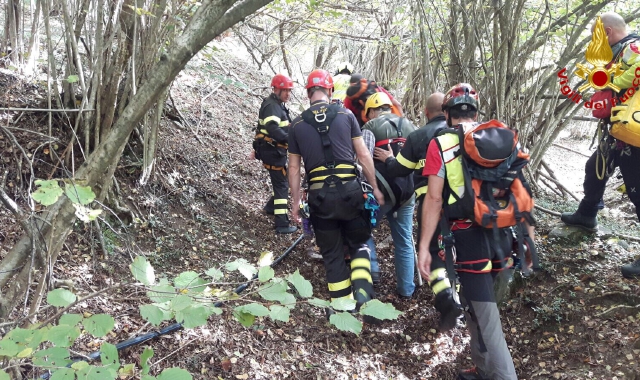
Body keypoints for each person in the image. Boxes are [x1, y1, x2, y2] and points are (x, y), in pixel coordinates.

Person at [417, 83, 521, 380]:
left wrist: (425, 246)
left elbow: (434, 199)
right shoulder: (502, 137)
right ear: (475, 111)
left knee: (486, 317)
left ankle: (502, 375)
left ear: (447, 114)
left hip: (468, 237)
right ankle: (483, 367)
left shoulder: (441, 144)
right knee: (477, 308)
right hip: (502, 235)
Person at [288, 69, 385, 316]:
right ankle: (365, 298)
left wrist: (296, 202)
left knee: (331, 253)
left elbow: (294, 167)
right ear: (330, 90)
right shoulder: (346, 115)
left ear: (308, 92)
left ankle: (342, 308)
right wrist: (374, 186)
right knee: (360, 244)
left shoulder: (297, 124)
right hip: (352, 193)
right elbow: (363, 154)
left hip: (320, 199)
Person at [373, 92, 463, 330]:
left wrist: (390, 159)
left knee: (432, 254)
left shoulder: (419, 137)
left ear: (426, 112)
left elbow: (398, 170)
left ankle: (444, 299)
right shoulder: (462, 135)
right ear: (446, 111)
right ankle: (460, 298)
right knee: (458, 252)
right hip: (462, 206)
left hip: (430, 206)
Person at [560, 12, 640, 278]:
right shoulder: (620, 51)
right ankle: (587, 213)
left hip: (633, 134)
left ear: (606, 32)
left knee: (637, 190)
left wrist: (610, 82)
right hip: (619, 131)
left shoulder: (633, 47)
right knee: (595, 167)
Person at [361, 92, 417, 299]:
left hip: (382, 190)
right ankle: (406, 289)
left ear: (373, 110)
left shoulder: (370, 127)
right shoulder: (409, 126)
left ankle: (373, 271)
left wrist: (368, 187)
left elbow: (364, 158)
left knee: (362, 230)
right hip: (407, 192)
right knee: (404, 241)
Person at [253, 73, 298, 234]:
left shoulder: (277, 104)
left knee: (280, 181)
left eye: (289, 90)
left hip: (272, 150)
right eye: (284, 90)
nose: (288, 93)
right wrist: (291, 140)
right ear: (275, 89)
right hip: (272, 150)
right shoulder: (273, 106)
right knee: (281, 185)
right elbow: (272, 129)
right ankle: (281, 224)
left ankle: (271, 207)